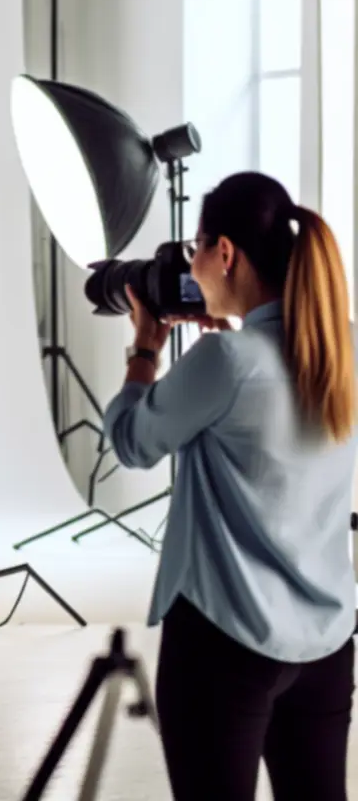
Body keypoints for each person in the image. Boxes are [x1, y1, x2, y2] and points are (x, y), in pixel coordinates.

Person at [103, 171, 356, 800]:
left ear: (224, 253)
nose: (190, 264)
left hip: (225, 642)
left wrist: (144, 350)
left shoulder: (225, 362)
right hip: (326, 644)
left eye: (195, 247)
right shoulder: (343, 346)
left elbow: (132, 442)